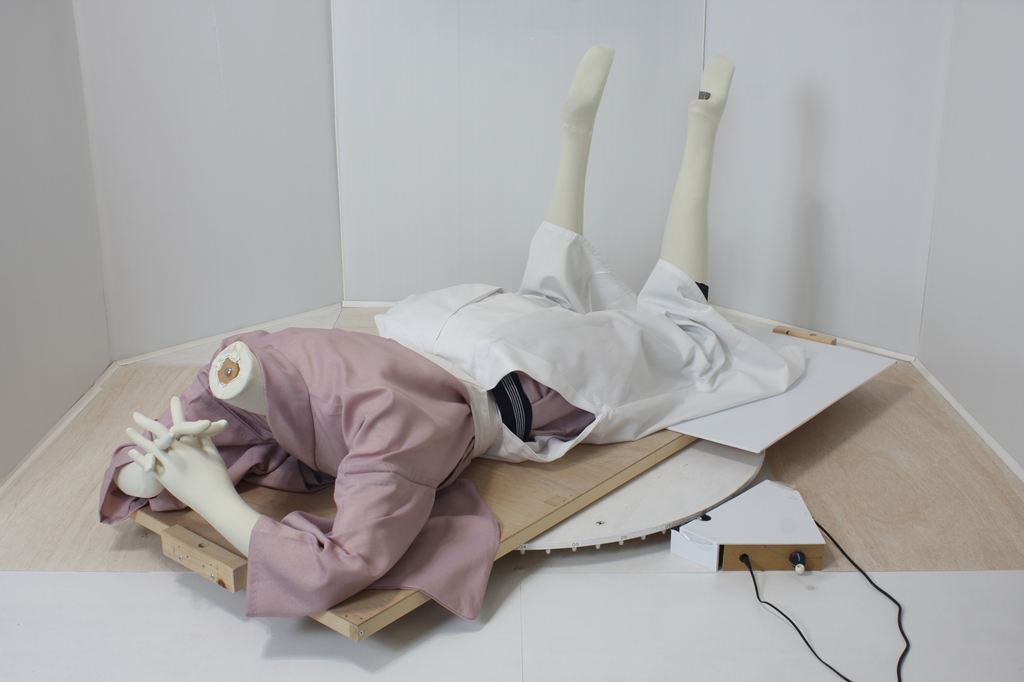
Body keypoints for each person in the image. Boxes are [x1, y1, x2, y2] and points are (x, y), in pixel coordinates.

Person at [98, 46, 804, 622]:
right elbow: (146, 454)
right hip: (450, 324)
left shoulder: (386, 432)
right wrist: (151, 470)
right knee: (545, 294)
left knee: (679, 331)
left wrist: (214, 499)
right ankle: (592, 132)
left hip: (511, 381)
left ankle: (686, 128)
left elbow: (337, 568)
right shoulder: (253, 356)